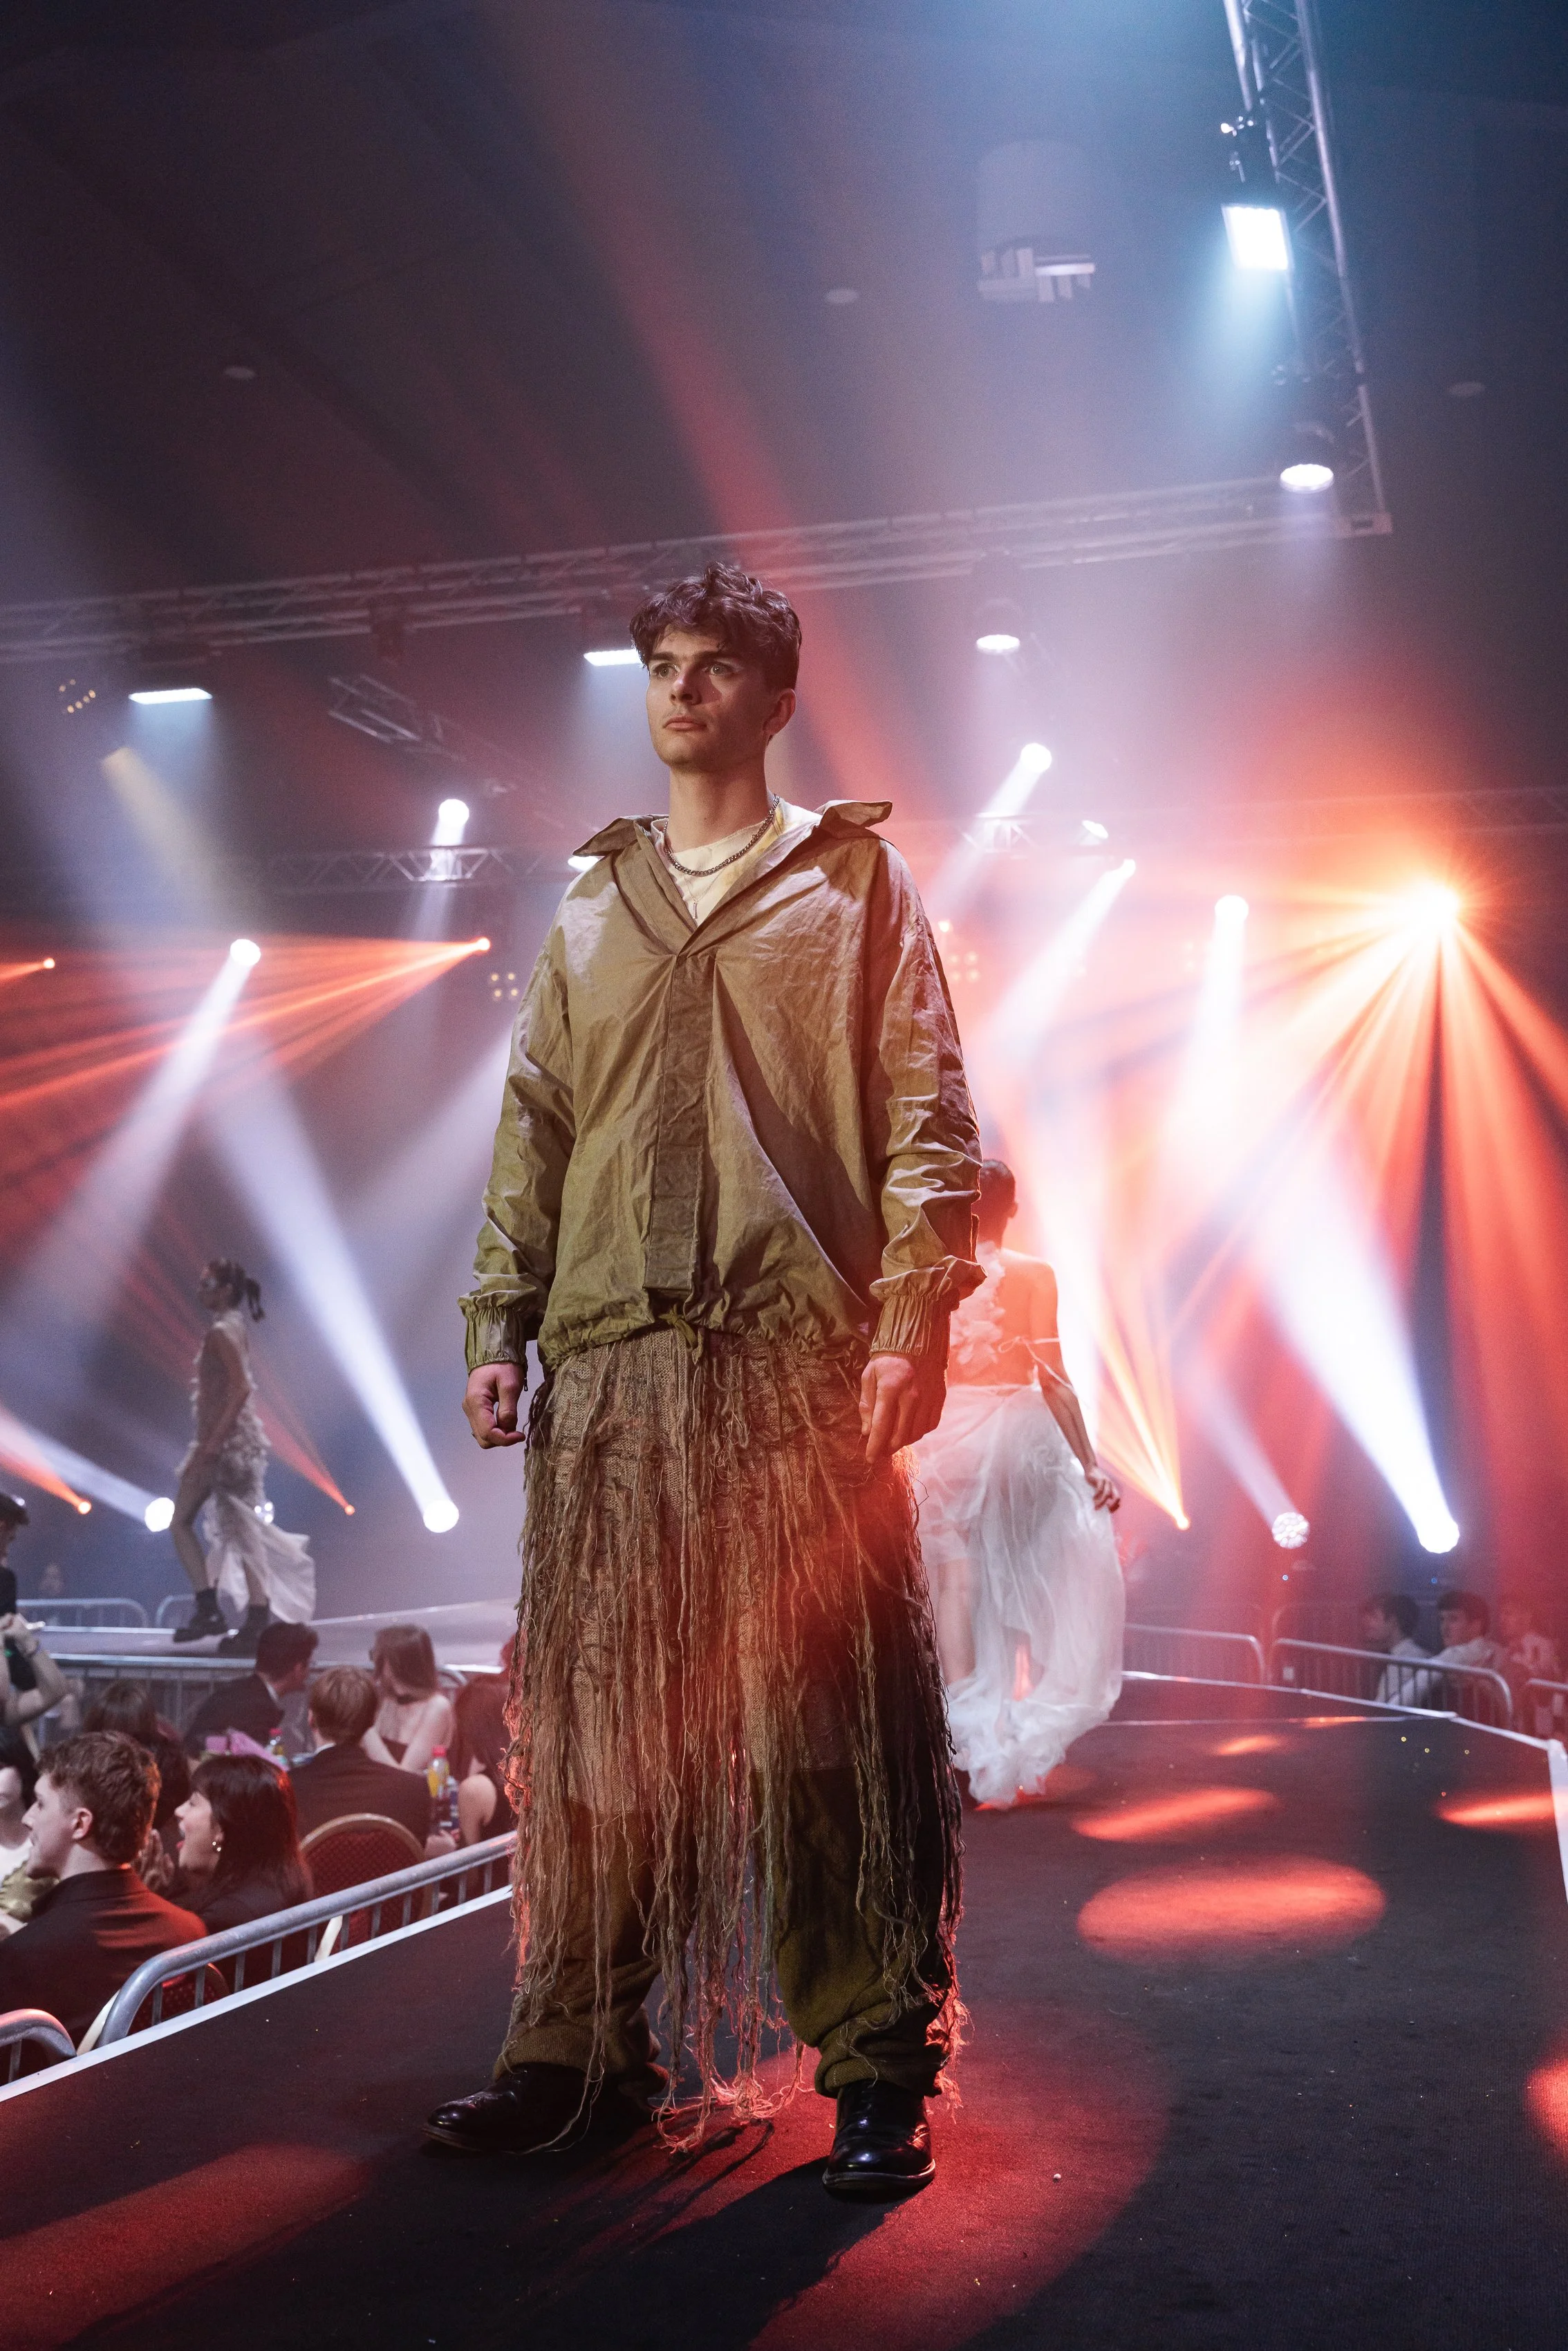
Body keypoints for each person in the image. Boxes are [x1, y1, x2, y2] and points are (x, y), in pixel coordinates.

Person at [425, 563, 980, 2202]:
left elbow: (931, 1110)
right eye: (662, 663)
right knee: (600, 1740)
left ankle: (877, 2062)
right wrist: (493, 1315)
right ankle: (576, 2054)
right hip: (607, 1386)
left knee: (824, 1736)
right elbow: (534, 1118)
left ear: (776, 694)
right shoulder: (594, 901)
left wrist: (909, 1315)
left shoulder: (854, 879)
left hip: (792, 1374)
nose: (681, 690)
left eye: (715, 664)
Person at [912, 1160, 1123, 1807]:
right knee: (1025, 1574)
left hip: (951, 1435)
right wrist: (1088, 1460)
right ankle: (1001, 1734)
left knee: (957, 1584)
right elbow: (1051, 1373)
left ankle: (969, 1737)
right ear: (1012, 1210)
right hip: (1022, 1435)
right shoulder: (1034, 1275)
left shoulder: (932, 1274)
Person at [0, 1731, 206, 2047]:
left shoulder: (28, 1954)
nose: (28, 1818)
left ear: (81, 1824)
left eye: (40, 1804)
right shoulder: (189, 1931)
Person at [169, 1258, 315, 1654]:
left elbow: (240, 1389)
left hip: (225, 1446)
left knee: (210, 1525)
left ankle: (238, 1612)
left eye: (208, 1283)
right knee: (235, 1526)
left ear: (226, 1290)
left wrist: (213, 1444)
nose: (201, 1291)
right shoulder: (232, 1326)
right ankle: (231, 1611)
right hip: (229, 1442)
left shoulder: (222, 1331)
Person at [290, 1664, 433, 1847]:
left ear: (311, 1720)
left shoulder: (285, 1792)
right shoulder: (413, 1789)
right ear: (371, 1722)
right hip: (389, 1876)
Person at [173, 1751, 310, 1931]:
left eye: (193, 1803)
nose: (179, 1811)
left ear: (222, 1827)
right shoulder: (281, 1878)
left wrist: (147, 1899)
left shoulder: (226, 1918)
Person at [182, 1620, 319, 1758]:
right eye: (310, 1665)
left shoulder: (237, 1693)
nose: (310, 1673)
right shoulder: (258, 1709)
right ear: (298, 1668)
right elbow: (252, 1770)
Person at [366, 1626, 454, 1776]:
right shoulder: (389, 1700)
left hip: (415, 1795)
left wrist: (365, 1732)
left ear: (396, 1664)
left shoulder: (437, 1707)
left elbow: (405, 1775)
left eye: (379, 1657)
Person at [450, 1675, 516, 1846]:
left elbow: (470, 1869)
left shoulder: (475, 1790)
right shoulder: (532, 1773)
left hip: (496, 1873)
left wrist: (449, 1848)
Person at [1359, 1592, 1428, 1707]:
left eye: (1373, 1616)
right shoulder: (1401, 1656)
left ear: (1393, 1621)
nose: (1366, 1622)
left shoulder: (1406, 1659)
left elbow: (1383, 1708)